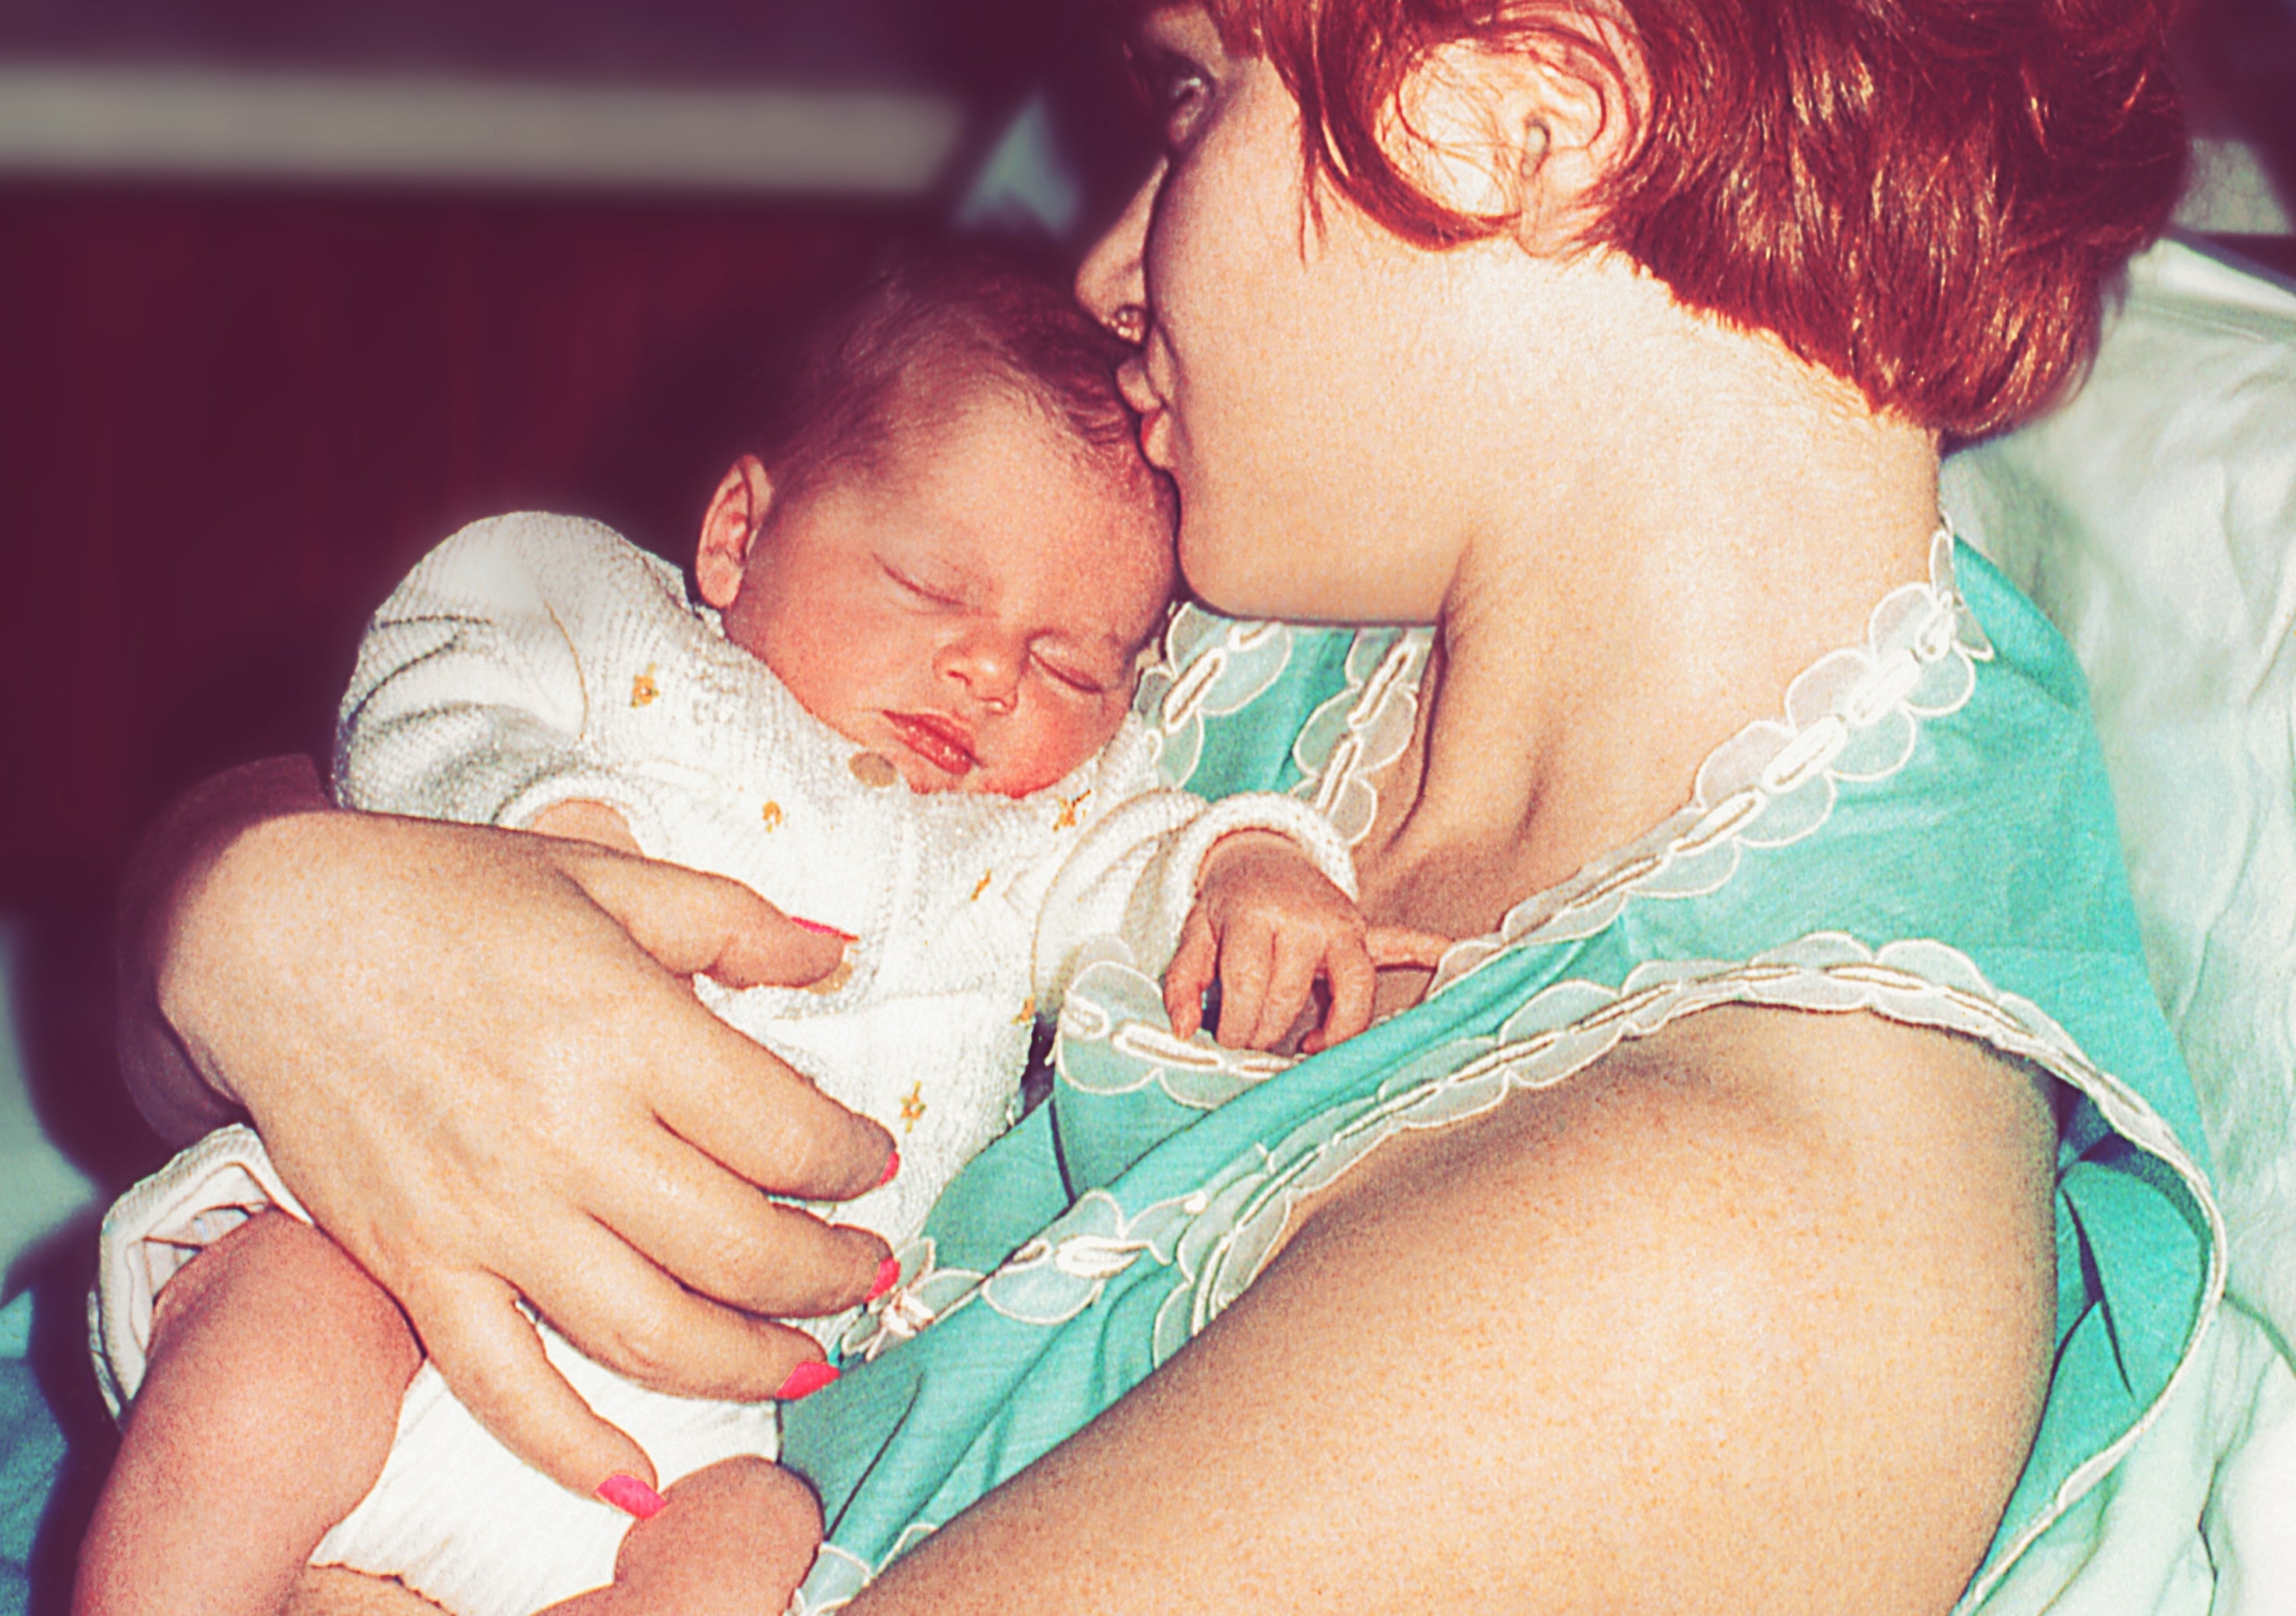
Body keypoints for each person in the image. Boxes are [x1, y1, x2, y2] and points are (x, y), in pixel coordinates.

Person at [111, 0, 2218, 1611]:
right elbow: (186, 1008)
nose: (1110, 272)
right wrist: (257, 904)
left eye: (1194, 104)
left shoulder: (1739, 1259)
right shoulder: (1279, 608)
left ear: (1516, 116)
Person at [77, 256, 1430, 1616]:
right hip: (375, 1245)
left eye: (1069, 664)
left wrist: (1248, 865)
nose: (989, 674)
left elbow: (1144, 868)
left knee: (757, 1537)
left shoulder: (1036, 833)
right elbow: (436, 672)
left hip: (674, 1416)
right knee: (273, 1374)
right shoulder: (618, 632)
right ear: (737, 533)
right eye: (927, 587)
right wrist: (529, 823)